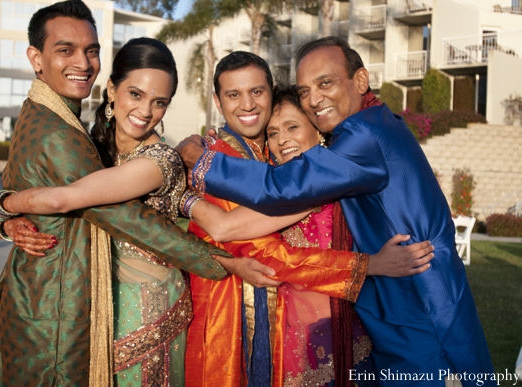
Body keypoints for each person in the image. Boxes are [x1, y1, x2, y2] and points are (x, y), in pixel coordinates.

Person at [177, 37, 495, 386]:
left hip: (423, 311)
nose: (314, 99)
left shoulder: (363, 136)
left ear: (360, 81)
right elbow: (233, 226)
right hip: (387, 317)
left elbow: (279, 188)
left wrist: (198, 161)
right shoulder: (366, 127)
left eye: (325, 83)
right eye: (304, 90)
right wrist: (198, 208)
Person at [0, 0, 230, 387]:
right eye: (66, 50)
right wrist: (4, 214)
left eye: (91, 51)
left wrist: (4, 208)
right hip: (61, 302)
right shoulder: (69, 132)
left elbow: (116, 210)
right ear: (36, 57)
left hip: (142, 305)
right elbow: (116, 213)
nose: (83, 61)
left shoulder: (52, 117)